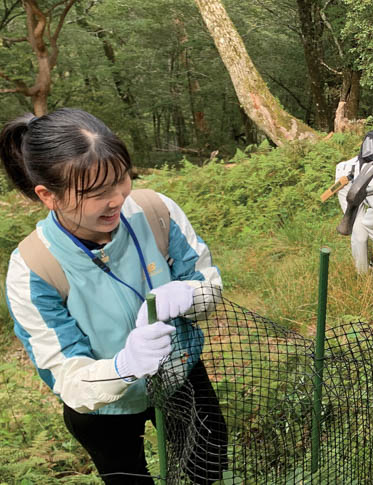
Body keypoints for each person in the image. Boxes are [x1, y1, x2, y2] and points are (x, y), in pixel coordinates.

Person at [1, 109, 227, 484]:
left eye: (121, 180)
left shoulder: (155, 211)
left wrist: (189, 293)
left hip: (179, 374)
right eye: (95, 193)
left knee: (209, 464)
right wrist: (123, 366)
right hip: (104, 409)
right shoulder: (32, 267)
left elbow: (208, 284)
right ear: (47, 195)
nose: (116, 199)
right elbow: (65, 375)